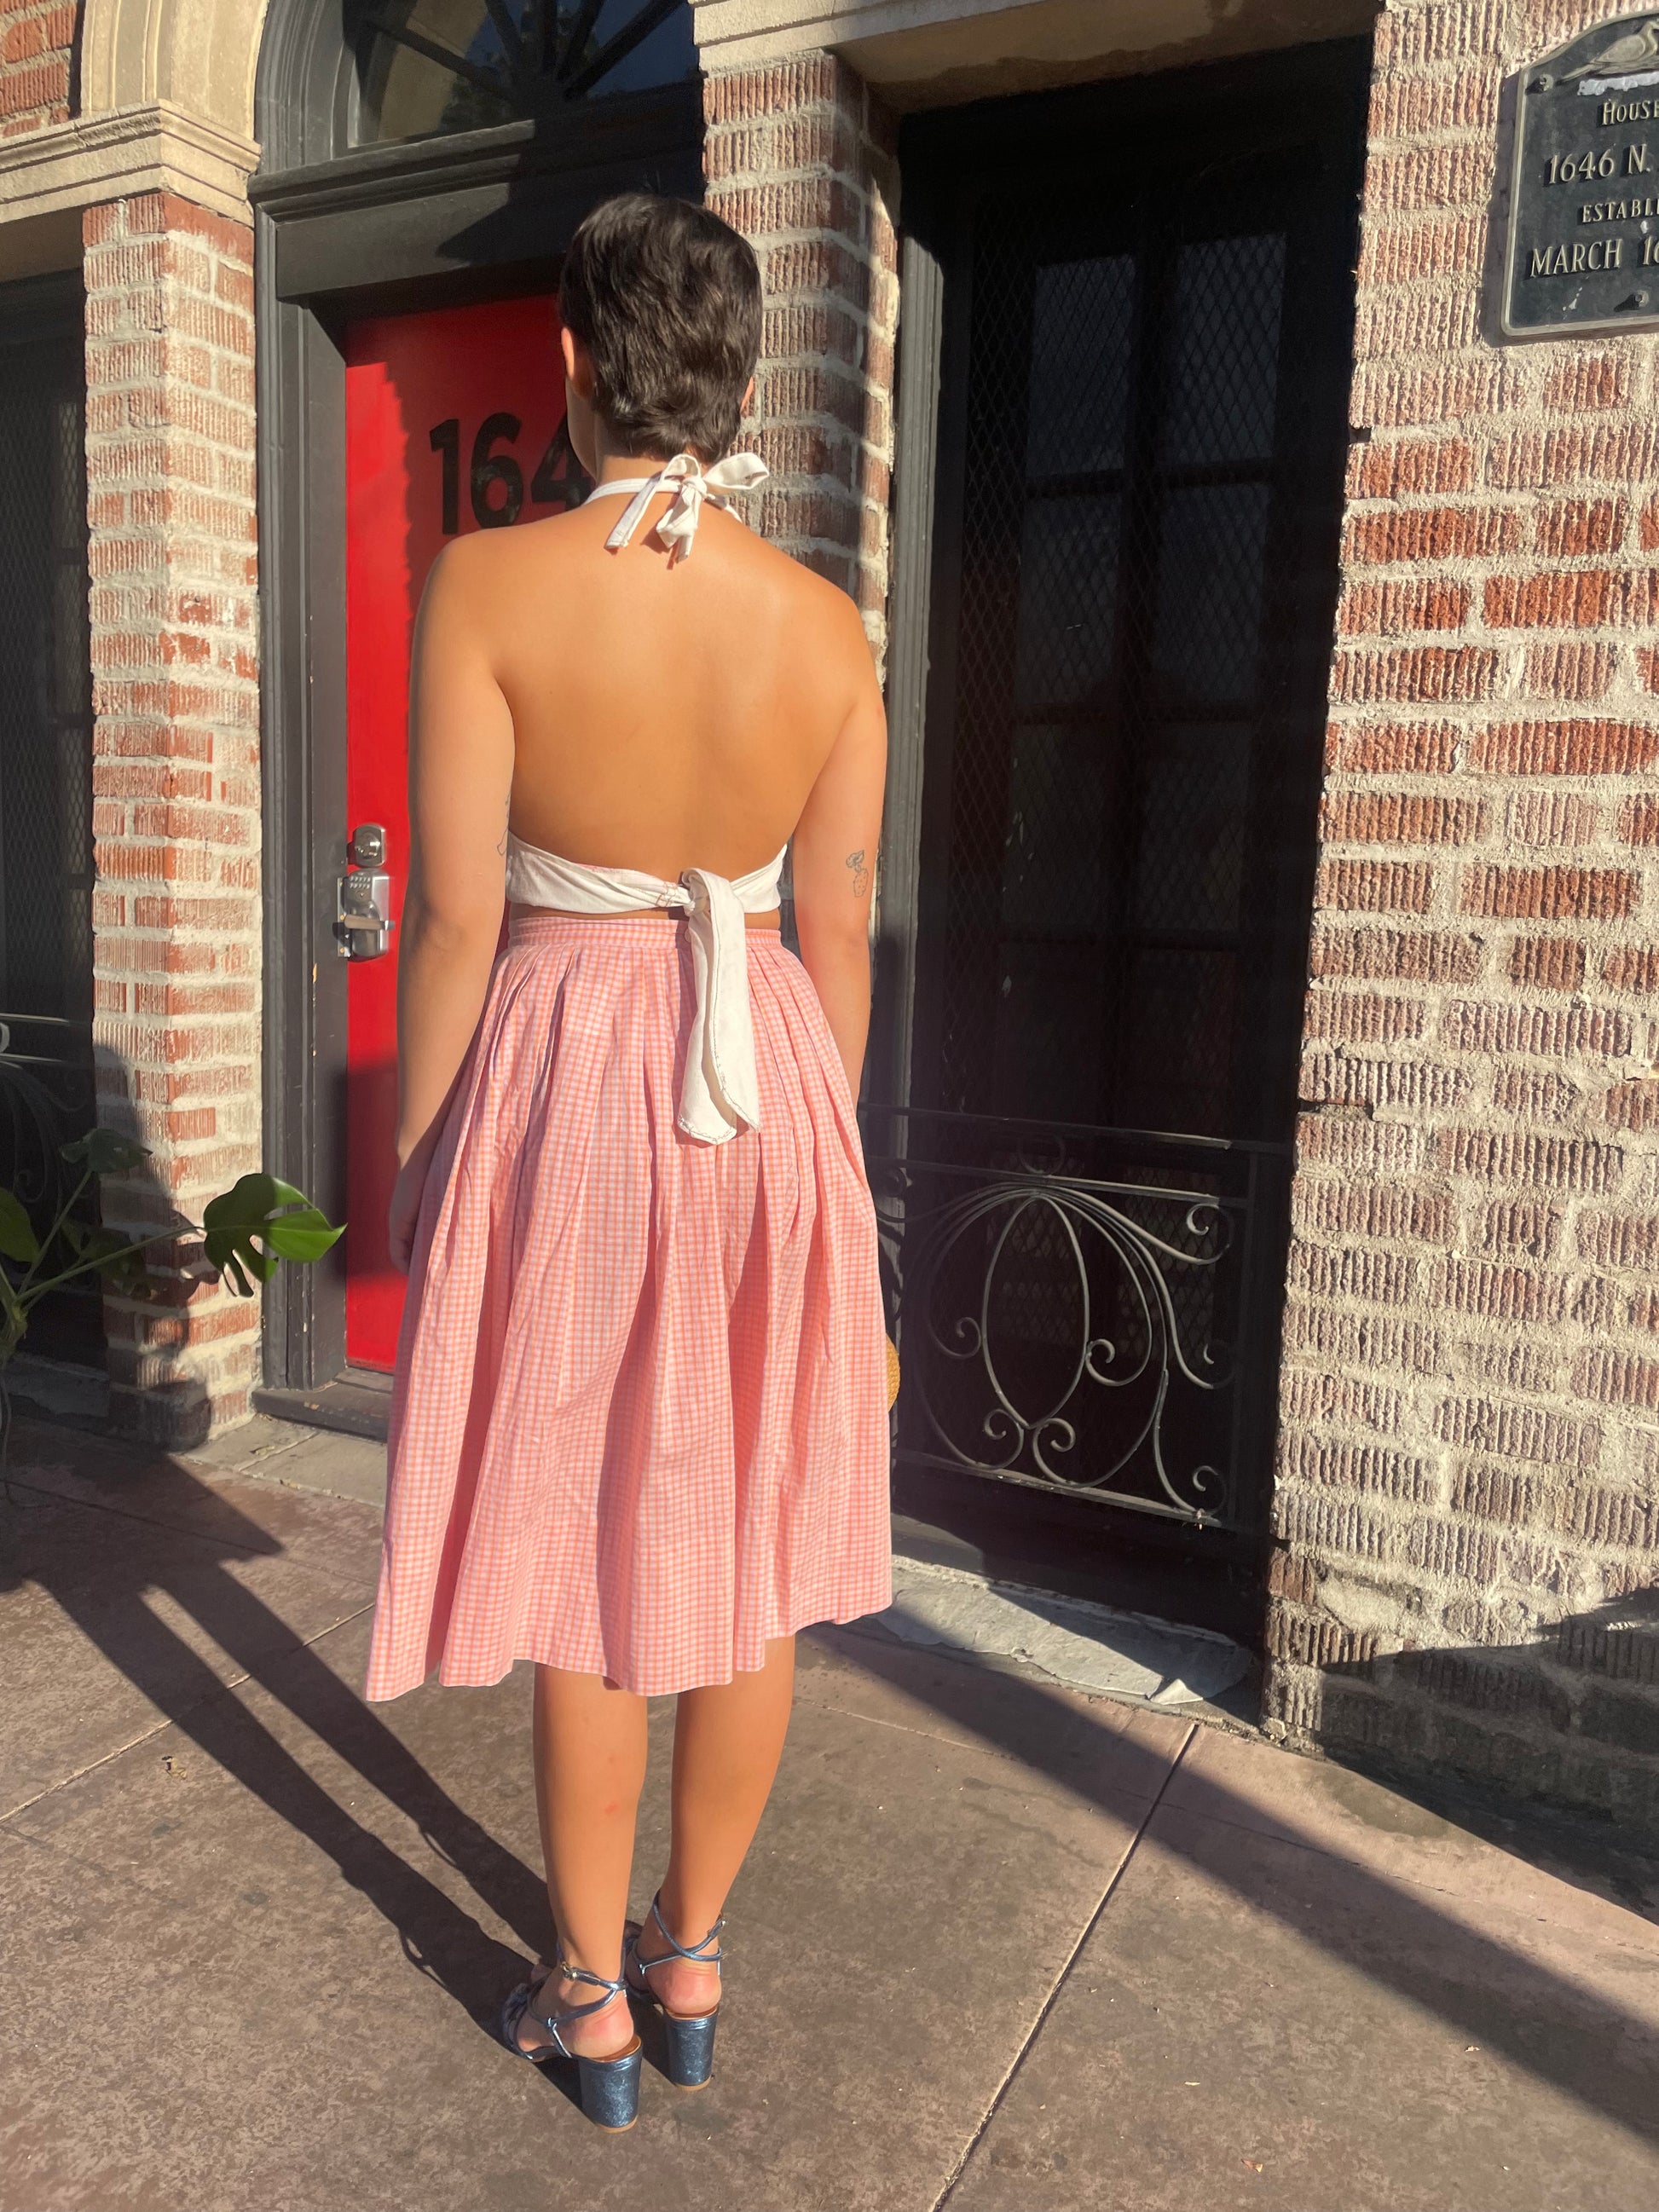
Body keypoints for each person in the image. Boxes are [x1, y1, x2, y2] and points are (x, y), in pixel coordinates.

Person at [363, 192, 893, 2131]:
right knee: (737, 1548)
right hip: (768, 1100)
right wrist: (822, 1209)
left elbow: (451, 920)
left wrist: (428, 1173)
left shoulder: (492, 588)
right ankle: (691, 1964)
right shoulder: (824, 629)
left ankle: (584, 2002)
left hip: (575, 1086)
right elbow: (833, 941)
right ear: (741, 382)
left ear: (574, 365)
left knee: (598, 1552)